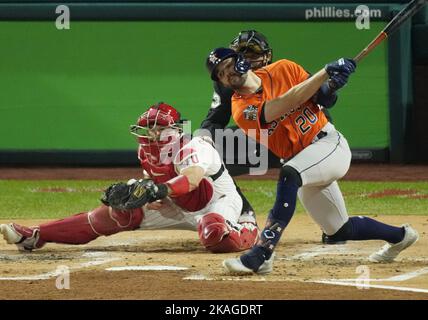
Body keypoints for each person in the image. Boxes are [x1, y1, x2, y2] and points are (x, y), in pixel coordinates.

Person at [205, 48, 419, 274]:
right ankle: (401, 236)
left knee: (289, 173)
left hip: (328, 145)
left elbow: (324, 99)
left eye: (227, 66)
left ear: (240, 61)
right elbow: (283, 104)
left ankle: (262, 253)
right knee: (339, 230)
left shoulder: (284, 68)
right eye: (220, 74)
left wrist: (333, 84)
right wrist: (325, 72)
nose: (226, 74)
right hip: (303, 161)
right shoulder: (240, 109)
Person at [0, 102, 258, 254]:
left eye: (160, 128)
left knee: (213, 231)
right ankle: (36, 235)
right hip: (177, 206)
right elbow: (156, 183)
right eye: (149, 129)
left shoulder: (194, 145)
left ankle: (246, 229)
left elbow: (191, 179)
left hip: (217, 203)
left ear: (176, 130)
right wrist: (151, 194)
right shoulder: (144, 151)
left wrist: (159, 191)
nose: (153, 134)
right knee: (116, 213)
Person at [199, 30, 341, 245]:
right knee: (208, 158)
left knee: (311, 181)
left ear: (267, 55)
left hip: (298, 138)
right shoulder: (227, 83)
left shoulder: (283, 70)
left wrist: (329, 87)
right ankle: (244, 217)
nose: (246, 60)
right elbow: (214, 119)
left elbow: (322, 102)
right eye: (240, 54)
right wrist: (201, 143)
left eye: (252, 53)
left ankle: (334, 225)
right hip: (259, 143)